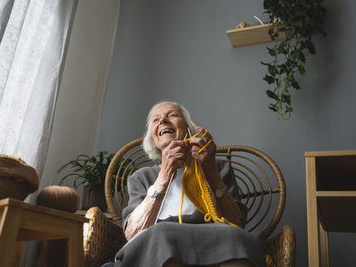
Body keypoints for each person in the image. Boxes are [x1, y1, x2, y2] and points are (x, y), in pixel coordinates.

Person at [113, 101, 266, 267]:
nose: (162, 121)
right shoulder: (142, 177)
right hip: (161, 246)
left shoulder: (218, 168)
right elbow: (133, 233)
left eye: (172, 115)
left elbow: (237, 224)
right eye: (155, 120)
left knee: (236, 236)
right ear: (153, 139)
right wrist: (163, 177)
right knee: (160, 234)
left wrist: (212, 173)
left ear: (188, 129)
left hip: (216, 243)